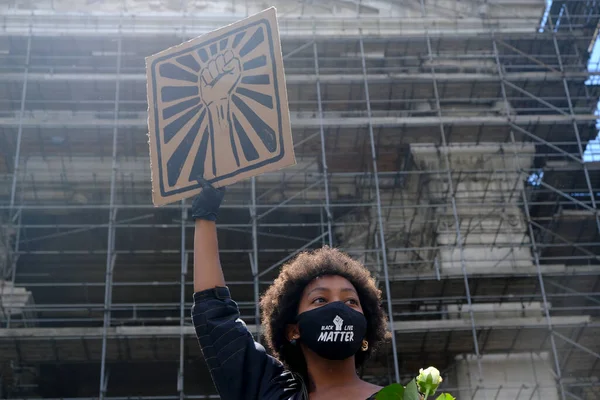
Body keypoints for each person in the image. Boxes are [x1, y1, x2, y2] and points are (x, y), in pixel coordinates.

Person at [191, 179, 390, 400]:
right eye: (320, 300)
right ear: (293, 330)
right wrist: (205, 217)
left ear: (365, 328)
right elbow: (215, 313)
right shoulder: (268, 391)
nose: (338, 308)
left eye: (351, 301)